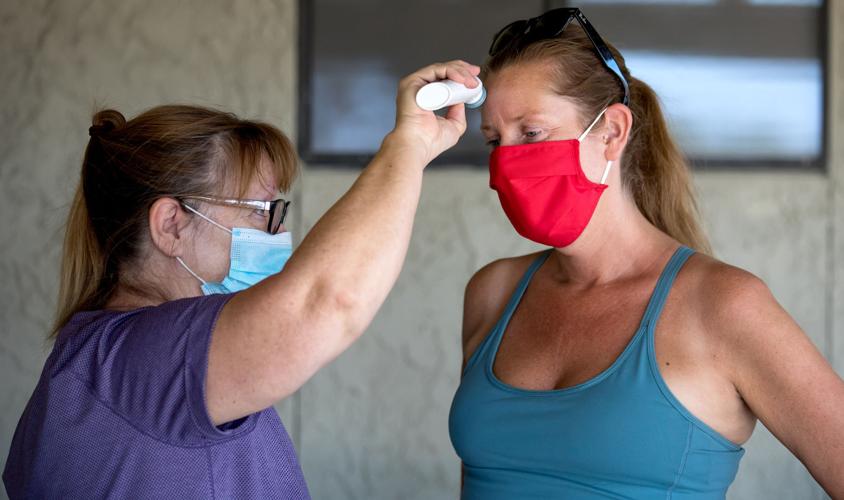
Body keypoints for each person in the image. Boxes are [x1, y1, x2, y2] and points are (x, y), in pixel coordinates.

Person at [3, 61, 481, 499]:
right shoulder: (146, 359)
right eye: (264, 212)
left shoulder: (101, 360)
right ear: (171, 225)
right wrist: (408, 146)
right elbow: (327, 300)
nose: (280, 232)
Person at [448, 8, 844, 499]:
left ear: (612, 131)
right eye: (493, 140)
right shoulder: (493, 292)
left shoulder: (724, 306)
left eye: (531, 133)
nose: (507, 160)